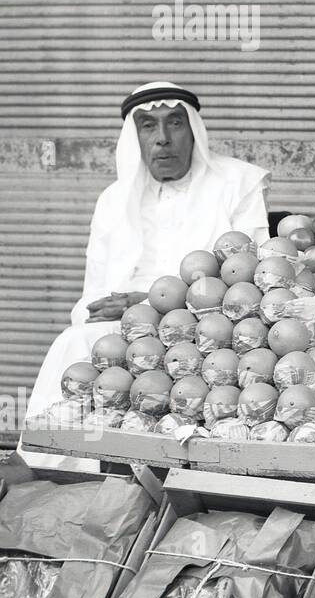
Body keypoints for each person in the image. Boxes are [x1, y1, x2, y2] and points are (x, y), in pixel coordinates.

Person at [25, 82, 271, 423]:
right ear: (135, 138)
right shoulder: (113, 201)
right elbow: (90, 296)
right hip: (124, 329)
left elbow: (249, 282)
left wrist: (145, 301)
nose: (163, 138)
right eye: (148, 125)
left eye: (174, 122)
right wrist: (105, 308)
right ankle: (45, 459)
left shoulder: (240, 183)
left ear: (193, 130)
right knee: (74, 341)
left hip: (208, 331)